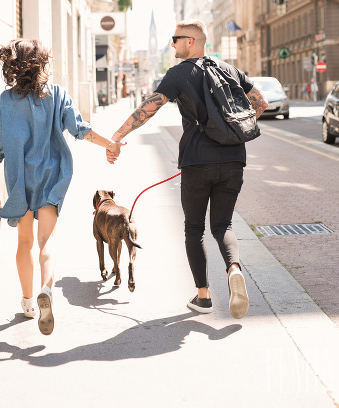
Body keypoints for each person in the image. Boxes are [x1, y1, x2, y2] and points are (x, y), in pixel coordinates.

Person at [106, 20, 267, 319]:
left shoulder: (178, 74)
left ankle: (204, 296)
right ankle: (233, 269)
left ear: (190, 41)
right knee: (224, 226)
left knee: (194, 229)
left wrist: (116, 137)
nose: (172, 44)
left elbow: (147, 108)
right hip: (234, 159)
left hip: (197, 161)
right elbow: (261, 102)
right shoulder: (229, 70)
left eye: (176, 39)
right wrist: (231, 130)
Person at [0, 39, 123, 335]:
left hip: (20, 179)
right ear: (41, 63)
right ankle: (47, 287)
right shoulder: (57, 94)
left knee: (24, 243)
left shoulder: (7, 100)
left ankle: (29, 302)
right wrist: (110, 144)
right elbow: (79, 129)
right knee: (47, 240)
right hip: (51, 176)